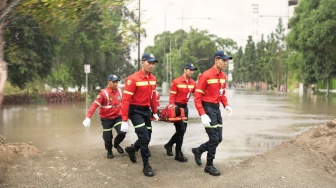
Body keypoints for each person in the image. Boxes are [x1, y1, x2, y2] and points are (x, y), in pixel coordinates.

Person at [192, 50, 233, 176]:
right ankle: (209, 165)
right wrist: (202, 113)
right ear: (216, 60)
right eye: (223, 60)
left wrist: (226, 105)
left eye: (227, 60)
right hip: (207, 108)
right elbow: (197, 97)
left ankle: (198, 150)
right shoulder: (206, 75)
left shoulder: (224, 77)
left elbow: (222, 95)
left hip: (216, 109)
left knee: (218, 138)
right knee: (214, 138)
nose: (225, 63)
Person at [119, 53, 159, 177]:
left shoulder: (153, 79)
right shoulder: (133, 79)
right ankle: (146, 165)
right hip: (135, 111)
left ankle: (132, 149)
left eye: (153, 63)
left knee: (148, 135)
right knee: (144, 137)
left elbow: (153, 97)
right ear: (142, 62)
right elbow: (125, 100)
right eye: (149, 62)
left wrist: (155, 111)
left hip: (146, 110)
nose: (151, 65)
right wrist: (124, 120)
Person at [82, 74, 126, 159]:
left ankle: (116, 144)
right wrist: (88, 117)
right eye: (113, 82)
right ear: (108, 82)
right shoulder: (103, 93)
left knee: (122, 131)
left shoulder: (120, 91)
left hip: (117, 117)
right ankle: (109, 151)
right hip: (106, 119)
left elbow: (126, 103)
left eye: (117, 82)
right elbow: (94, 105)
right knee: (108, 137)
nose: (115, 84)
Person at [163, 63, 197, 162]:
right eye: (190, 69)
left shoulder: (193, 83)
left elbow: (197, 95)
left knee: (182, 130)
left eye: (193, 70)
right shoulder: (176, 81)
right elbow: (172, 98)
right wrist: (172, 109)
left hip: (185, 109)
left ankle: (169, 145)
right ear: (185, 69)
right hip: (176, 108)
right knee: (181, 129)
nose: (191, 71)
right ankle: (178, 153)